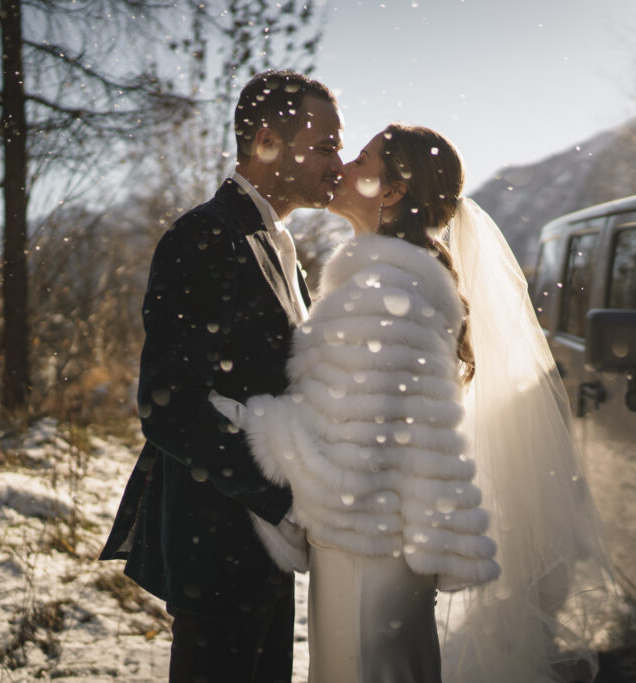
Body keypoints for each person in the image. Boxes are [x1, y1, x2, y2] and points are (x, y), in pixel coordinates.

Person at [213, 123, 614, 683]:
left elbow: (353, 455)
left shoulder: (383, 290)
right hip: (384, 546)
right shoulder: (395, 281)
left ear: (393, 190)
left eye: (360, 158)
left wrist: (241, 417)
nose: (343, 168)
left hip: (365, 551)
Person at [99, 69, 343, 683]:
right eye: (325, 145)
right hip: (217, 543)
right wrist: (284, 501)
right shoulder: (205, 236)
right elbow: (168, 408)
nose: (336, 162)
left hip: (265, 548)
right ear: (266, 142)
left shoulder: (279, 243)